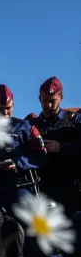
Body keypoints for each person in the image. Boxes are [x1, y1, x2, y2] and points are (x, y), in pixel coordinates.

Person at [0, 85, 46, 214]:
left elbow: (41, 156)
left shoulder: (24, 128)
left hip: (19, 186)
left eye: (8, 108)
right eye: (0, 109)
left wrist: (17, 163)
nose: (5, 113)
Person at [28, 77, 81, 218]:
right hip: (43, 188)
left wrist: (61, 147)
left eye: (53, 101)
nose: (49, 105)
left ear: (61, 98)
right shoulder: (30, 126)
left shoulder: (74, 122)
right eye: (45, 101)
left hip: (72, 188)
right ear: (39, 98)